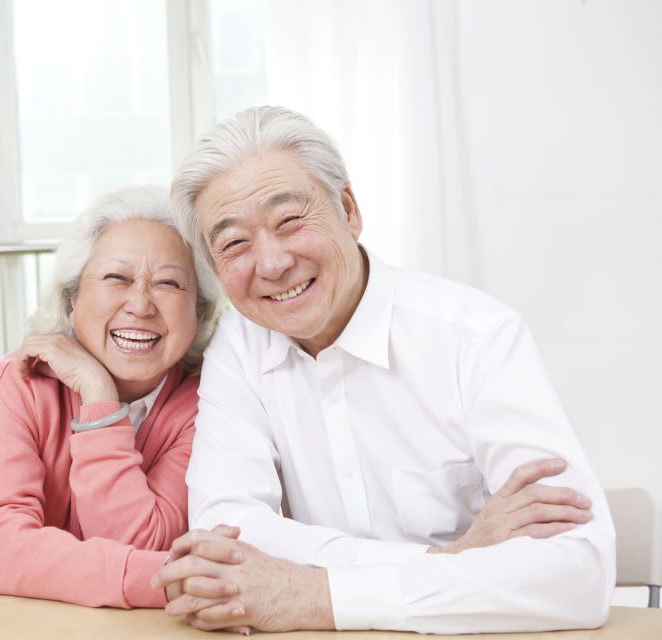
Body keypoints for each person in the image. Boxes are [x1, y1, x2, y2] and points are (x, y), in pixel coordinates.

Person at [152, 106, 615, 633]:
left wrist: (315, 596)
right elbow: (226, 538)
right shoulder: (238, 347)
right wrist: (450, 561)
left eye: (289, 221)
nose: (273, 263)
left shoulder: (476, 335)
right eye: (234, 243)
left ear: (348, 210)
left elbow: (580, 573)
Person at [0, 185, 219, 608]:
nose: (140, 304)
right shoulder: (17, 385)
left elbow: (146, 540)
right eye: (116, 277)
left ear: (200, 313)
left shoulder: (209, 404)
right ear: (71, 301)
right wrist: (159, 581)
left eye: (170, 283)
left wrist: (98, 402)